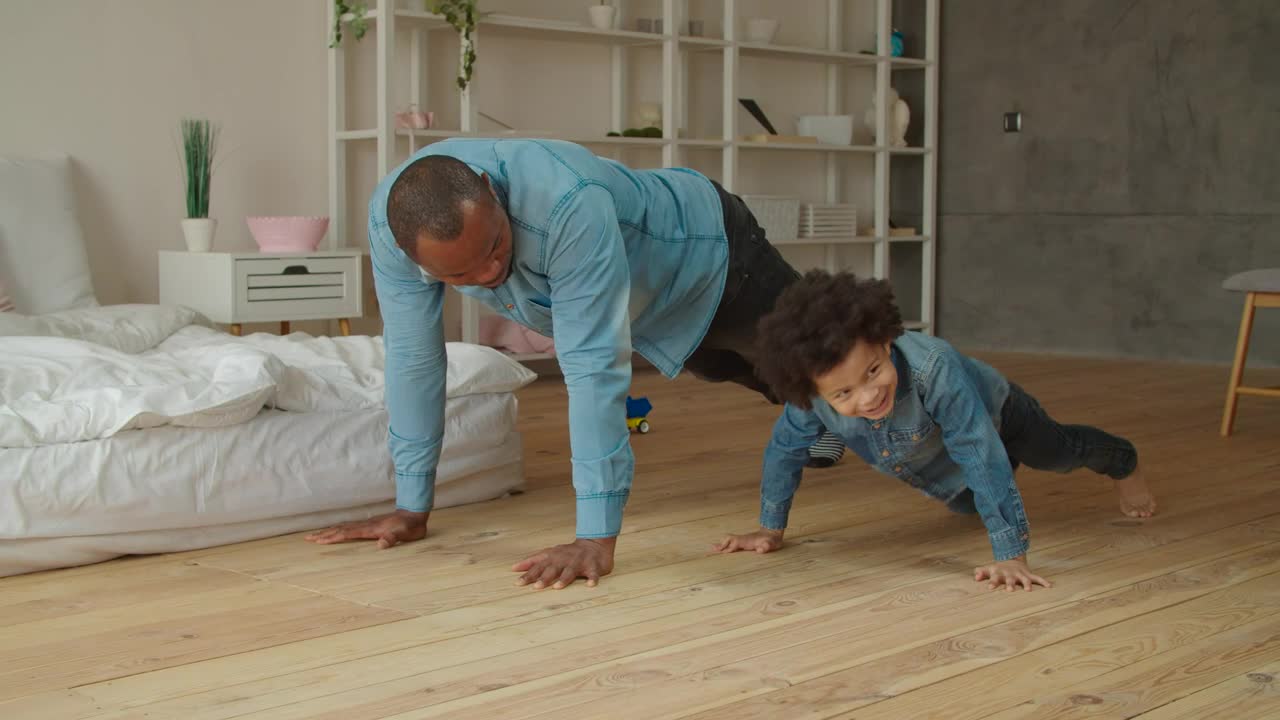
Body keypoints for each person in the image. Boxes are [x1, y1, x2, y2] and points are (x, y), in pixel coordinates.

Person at [305, 138, 842, 588]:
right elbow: (415, 359)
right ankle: (825, 419)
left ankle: (897, 420)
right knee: (746, 374)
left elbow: (592, 368)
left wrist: (595, 537)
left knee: (831, 364)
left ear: (492, 192)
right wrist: (410, 507)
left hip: (713, 254)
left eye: (495, 247)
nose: (490, 274)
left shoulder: (566, 200)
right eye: (461, 277)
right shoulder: (391, 229)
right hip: (643, 302)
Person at [712, 270, 1157, 591]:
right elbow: (784, 451)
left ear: (886, 342)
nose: (867, 397)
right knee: (967, 506)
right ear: (811, 392)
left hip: (1000, 417)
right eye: (843, 394)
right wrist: (770, 529)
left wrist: (1010, 556)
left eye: (873, 371)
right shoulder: (808, 398)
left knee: (1058, 453)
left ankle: (1123, 461)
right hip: (933, 449)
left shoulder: (934, 368)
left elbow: (978, 450)